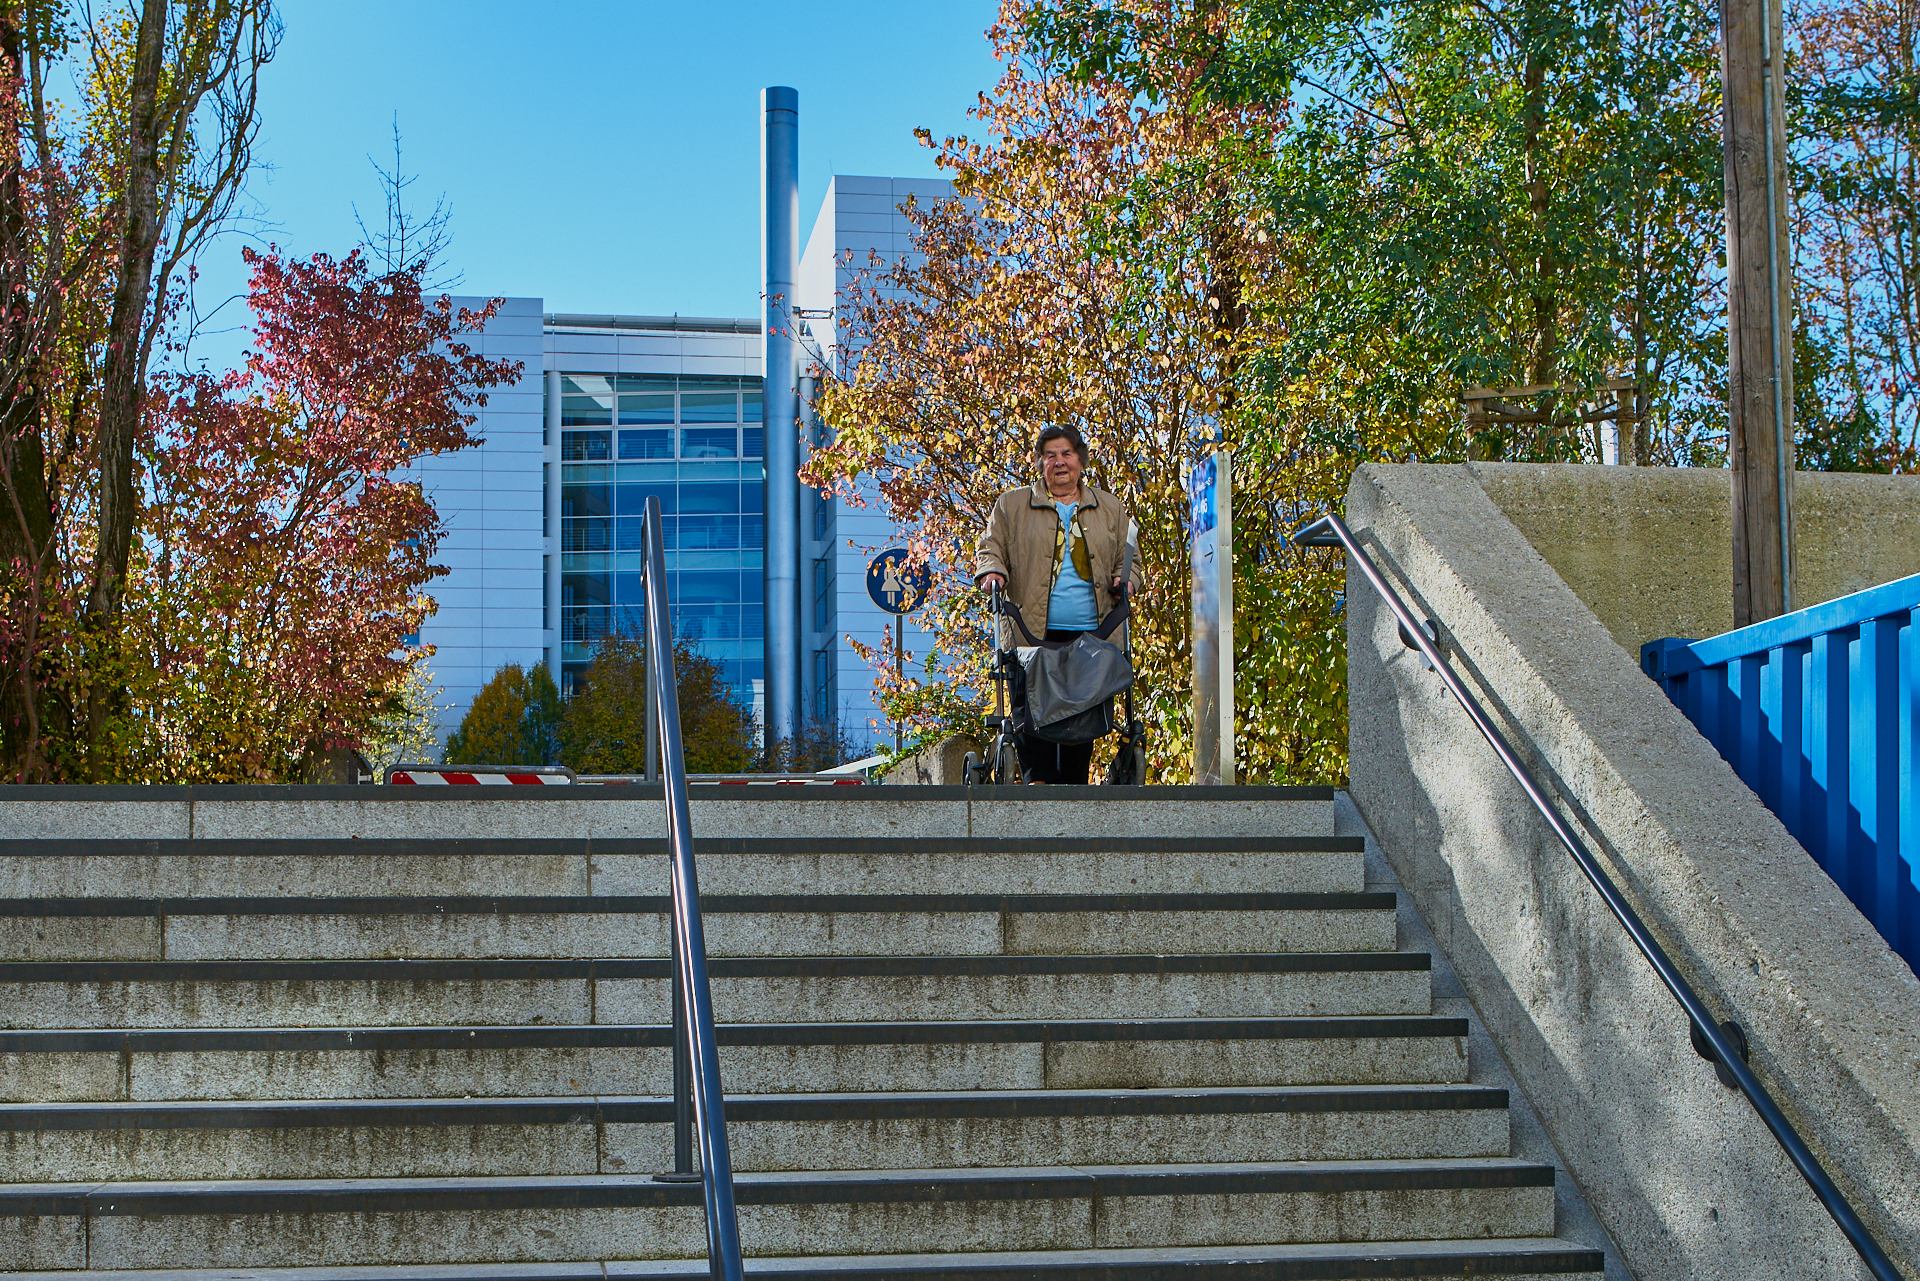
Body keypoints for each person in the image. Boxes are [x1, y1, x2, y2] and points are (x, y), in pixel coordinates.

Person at [975, 424, 1140, 784]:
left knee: (1083, 708)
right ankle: (1038, 780)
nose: (1059, 462)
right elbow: (990, 548)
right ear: (1040, 464)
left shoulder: (1110, 507)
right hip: (1030, 628)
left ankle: (1075, 786)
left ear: (1081, 460)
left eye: (1067, 453)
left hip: (1093, 630)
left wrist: (1125, 580)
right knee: (1032, 707)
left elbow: (1129, 560)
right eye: (1050, 455)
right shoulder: (1012, 505)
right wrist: (992, 572)